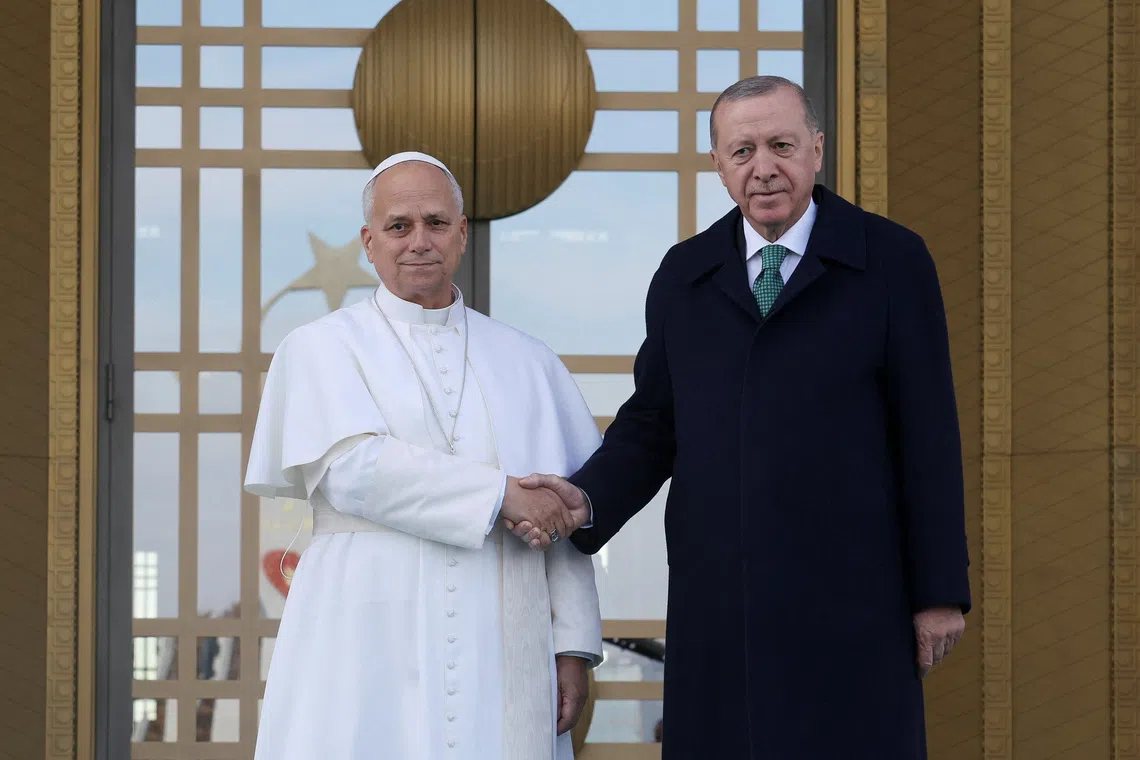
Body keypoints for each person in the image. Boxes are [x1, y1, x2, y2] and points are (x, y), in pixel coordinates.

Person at [509, 76, 972, 758]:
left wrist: (939, 593)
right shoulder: (685, 274)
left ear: (817, 150)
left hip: (854, 598)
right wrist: (583, 499)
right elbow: (652, 424)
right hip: (722, 600)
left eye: (781, 145)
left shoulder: (892, 260)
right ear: (719, 168)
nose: (764, 168)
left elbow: (929, 434)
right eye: (742, 151)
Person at [244, 151, 603, 760]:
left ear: (462, 234)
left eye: (436, 223)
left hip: (503, 631)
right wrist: (502, 495)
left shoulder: (529, 362)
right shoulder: (318, 350)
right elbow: (353, 470)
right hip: (364, 623)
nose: (419, 242)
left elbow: (563, 514)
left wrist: (571, 646)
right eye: (398, 226)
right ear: (368, 242)